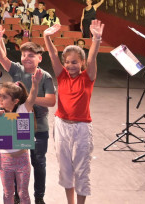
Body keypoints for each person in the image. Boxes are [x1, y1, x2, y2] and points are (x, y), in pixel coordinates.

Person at [0, 24, 56, 204]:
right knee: (17, 162)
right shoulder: (17, 69)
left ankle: (39, 197)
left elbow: (51, 101)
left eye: (31, 55)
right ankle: (17, 196)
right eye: (24, 55)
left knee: (38, 162)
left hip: (39, 125)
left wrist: (28, 100)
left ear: (39, 58)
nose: (26, 58)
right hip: (16, 125)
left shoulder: (45, 76)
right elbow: (2, 58)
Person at [44, 20, 104, 204]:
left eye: (75, 62)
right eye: (68, 62)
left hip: (82, 129)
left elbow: (93, 58)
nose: (71, 65)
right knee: (65, 170)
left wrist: (97, 39)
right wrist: (46, 36)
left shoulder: (88, 78)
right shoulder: (61, 75)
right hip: (61, 126)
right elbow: (53, 55)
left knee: (81, 169)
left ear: (82, 63)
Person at [0, 72, 42, 204]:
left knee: (23, 193)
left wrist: (35, 84)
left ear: (15, 101)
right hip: (5, 162)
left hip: (22, 162)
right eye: (0, 96)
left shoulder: (22, 111)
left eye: (4, 97)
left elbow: (31, 98)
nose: (0, 99)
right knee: (8, 193)